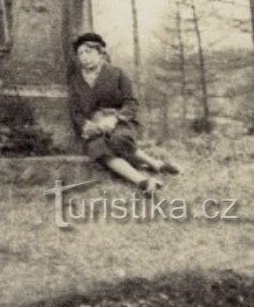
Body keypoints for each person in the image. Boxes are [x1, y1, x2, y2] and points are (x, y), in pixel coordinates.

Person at [68, 32, 179, 194]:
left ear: (100, 54)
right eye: (80, 54)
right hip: (93, 127)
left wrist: (115, 119)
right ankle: (142, 181)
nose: (84, 57)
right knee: (97, 147)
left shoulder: (117, 74)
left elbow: (131, 102)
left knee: (117, 139)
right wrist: (86, 125)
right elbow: (75, 110)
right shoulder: (76, 81)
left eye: (89, 52)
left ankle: (154, 163)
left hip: (120, 122)